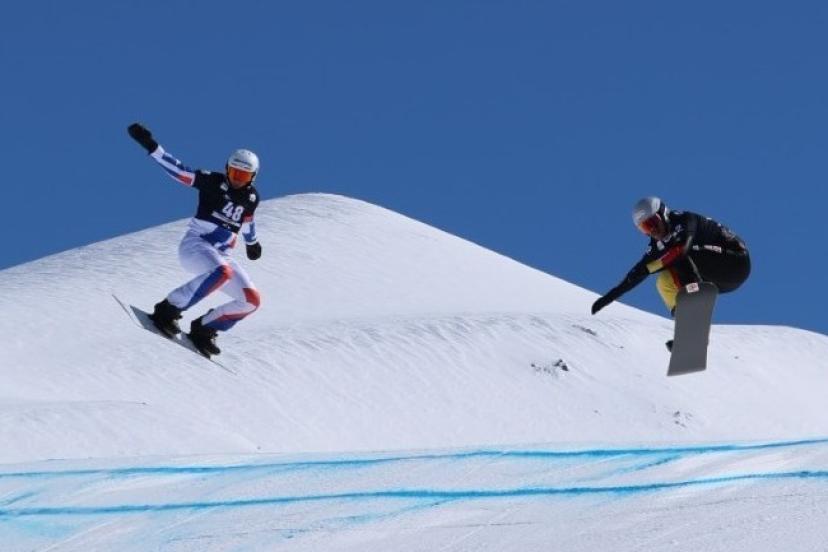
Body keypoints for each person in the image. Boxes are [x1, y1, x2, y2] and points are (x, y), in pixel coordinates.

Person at [127, 122, 263, 357]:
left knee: (251, 300)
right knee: (223, 273)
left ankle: (205, 328)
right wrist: (152, 146)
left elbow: (248, 220)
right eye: (234, 173)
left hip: (222, 255)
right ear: (227, 169)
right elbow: (180, 172)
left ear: (252, 177)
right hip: (196, 246)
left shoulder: (251, 197)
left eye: (243, 175)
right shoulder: (213, 182)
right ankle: (168, 310)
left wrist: (252, 243)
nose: (237, 180)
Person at [591, 197, 750, 349]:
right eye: (645, 228)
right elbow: (636, 274)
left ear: (663, 213)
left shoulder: (684, 220)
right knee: (664, 281)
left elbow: (683, 248)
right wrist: (608, 298)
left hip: (736, 262)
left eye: (653, 223)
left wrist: (654, 266)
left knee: (680, 256)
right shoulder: (657, 246)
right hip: (719, 279)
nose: (653, 231)